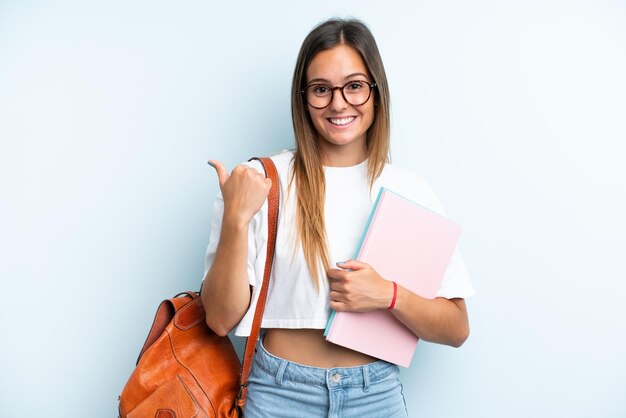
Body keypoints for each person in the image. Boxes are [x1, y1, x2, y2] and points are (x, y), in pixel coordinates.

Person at [201, 18, 475, 418]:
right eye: (320, 89)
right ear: (303, 98)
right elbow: (220, 320)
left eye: (354, 86)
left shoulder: (410, 191)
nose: (338, 103)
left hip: (375, 396)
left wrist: (389, 295)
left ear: (375, 93)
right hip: (279, 396)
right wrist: (236, 219)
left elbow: (456, 328)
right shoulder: (261, 182)